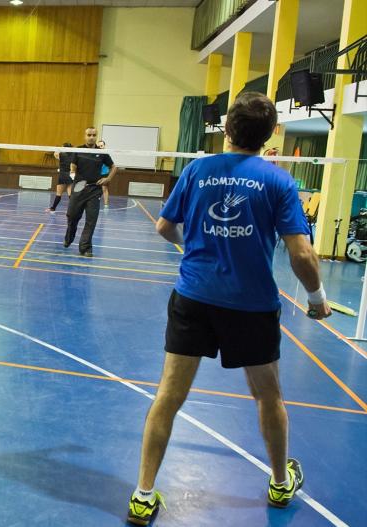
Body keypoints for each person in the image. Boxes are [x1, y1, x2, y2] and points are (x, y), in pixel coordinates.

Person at [125, 92, 331, 526]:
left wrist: (193, 248)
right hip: (252, 308)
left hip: (194, 298)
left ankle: (143, 495)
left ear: (227, 129)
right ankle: (279, 483)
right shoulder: (278, 181)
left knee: (168, 396)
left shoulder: (198, 170)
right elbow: (303, 255)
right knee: (268, 396)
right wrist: (316, 298)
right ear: (270, 133)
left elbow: (164, 226)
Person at [63, 127, 115, 257]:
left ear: (96, 136)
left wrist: (108, 178)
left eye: (94, 135)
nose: (91, 137)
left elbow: (114, 167)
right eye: (89, 135)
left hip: (94, 190)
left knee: (91, 220)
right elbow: (73, 166)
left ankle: (85, 248)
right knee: (72, 216)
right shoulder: (78, 150)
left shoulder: (102, 153)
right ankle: (69, 237)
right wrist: (73, 174)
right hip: (79, 188)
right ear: (85, 136)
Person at [47, 142, 73, 213]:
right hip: (70, 176)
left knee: (58, 194)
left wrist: (57, 148)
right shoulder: (73, 155)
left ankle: (53, 208)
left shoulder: (61, 154)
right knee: (70, 194)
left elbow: (55, 154)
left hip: (62, 176)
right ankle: (73, 210)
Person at [96, 139, 111, 207]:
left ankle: (106, 204)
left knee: (104, 188)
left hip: (104, 173)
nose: (100, 147)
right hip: (96, 174)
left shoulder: (106, 155)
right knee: (95, 189)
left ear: (104, 146)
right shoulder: (95, 154)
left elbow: (111, 165)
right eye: (99, 146)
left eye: (101, 145)